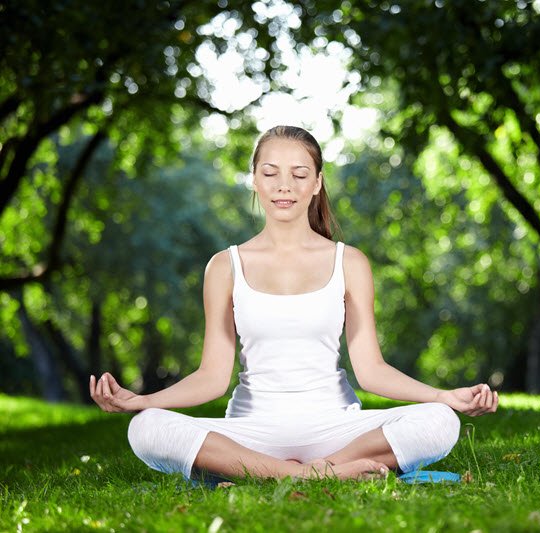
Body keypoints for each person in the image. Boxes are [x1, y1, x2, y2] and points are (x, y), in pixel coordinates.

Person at [89, 125, 499, 482]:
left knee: (440, 422)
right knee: (146, 429)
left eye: (299, 174)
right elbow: (213, 377)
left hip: (336, 427)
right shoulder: (224, 266)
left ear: (317, 182)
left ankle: (273, 473)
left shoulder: (348, 262)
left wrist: (444, 396)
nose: (284, 185)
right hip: (252, 430)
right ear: (254, 180)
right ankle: (321, 475)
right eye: (270, 173)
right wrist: (142, 401)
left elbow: (371, 371)